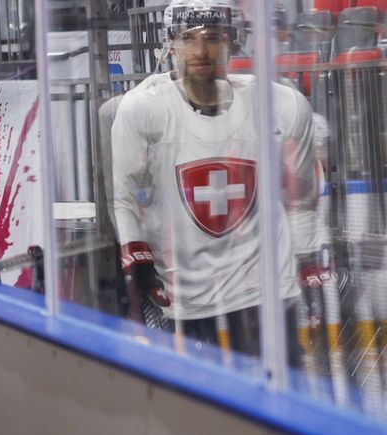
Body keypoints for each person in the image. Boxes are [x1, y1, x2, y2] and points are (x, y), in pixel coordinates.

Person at [110, 0, 317, 358]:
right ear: (169, 43)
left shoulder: (282, 105)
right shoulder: (143, 108)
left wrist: (308, 255)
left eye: (212, 37)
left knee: (279, 404)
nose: (200, 50)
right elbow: (123, 197)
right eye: (187, 38)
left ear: (231, 41)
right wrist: (135, 261)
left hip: (266, 292)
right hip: (189, 298)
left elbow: (304, 196)